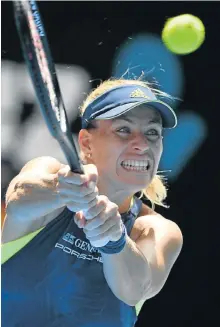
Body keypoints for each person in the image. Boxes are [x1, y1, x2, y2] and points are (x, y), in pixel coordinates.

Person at [2, 78, 183, 327]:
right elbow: (18, 200)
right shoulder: (47, 172)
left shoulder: (157, 230)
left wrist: (115, 241)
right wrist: (62, 189)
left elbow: (136, 290)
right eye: (124, 130)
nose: (142, 144)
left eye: (152, 132)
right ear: (87, 142)